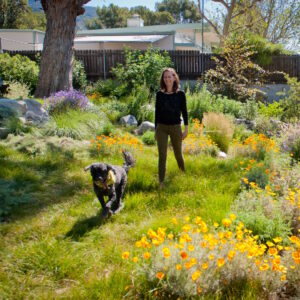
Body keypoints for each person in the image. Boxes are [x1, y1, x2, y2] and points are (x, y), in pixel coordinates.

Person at [155, 67, 189, 189]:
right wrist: (156, 130)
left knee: (178, 154)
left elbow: (184, 112)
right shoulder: (159, 94)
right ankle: (161, 182)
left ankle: (183, 174)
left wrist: (186, 128)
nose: (167, 79)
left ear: (174, 77)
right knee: (162, 155)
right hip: (162, 128)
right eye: (165, 77)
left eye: (170, 76)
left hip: (175, 127)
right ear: (163, 79)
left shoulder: (180, 94)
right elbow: (157, 113)